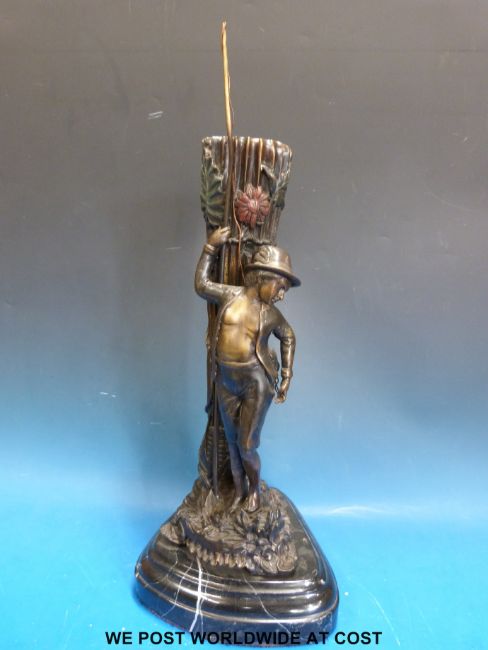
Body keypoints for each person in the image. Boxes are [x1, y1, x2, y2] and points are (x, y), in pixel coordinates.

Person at [195, 226, 300, 512]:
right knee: (231, 442)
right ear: (263, 277)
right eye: (280, 286)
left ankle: (253, 490)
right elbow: (201, 285)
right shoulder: (231, 296)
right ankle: (238, 491)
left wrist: (286, 375)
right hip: (225, 381)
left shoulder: (271, 314)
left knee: (246, 445)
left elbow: (288, 336)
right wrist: (210, 248)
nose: (281, 295)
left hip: (255, 384)